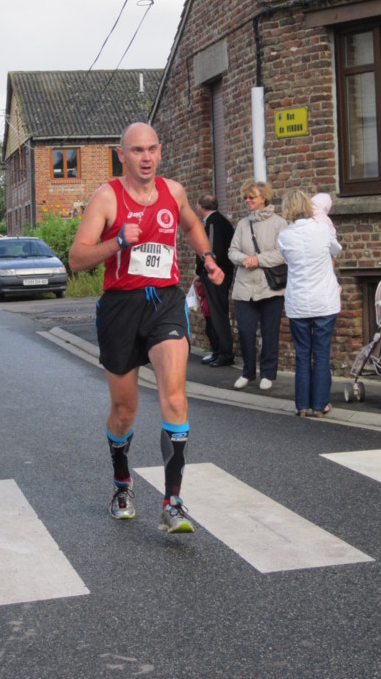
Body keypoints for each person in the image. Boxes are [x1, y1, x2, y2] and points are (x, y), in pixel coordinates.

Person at [69, 122, 225, 534]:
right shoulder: (107, 197)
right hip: (120, 307)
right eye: (137, 150)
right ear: (121, 155)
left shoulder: (173, 192)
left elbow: (191, 226)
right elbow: (77, 259)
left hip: (165, 303)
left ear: (160, 151)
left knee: (174, 397)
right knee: (125, 410)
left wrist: (207, 258)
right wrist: (118, 241)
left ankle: (172, 502)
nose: (146, 157)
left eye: (152, 149)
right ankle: (122, 484)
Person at [278, 188, 342, 417]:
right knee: (321, 354)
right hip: (324, 300)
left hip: (298, 302)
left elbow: (287, 260)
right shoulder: (322, 230)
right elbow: (336, 250)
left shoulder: (284, 236)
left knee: (302, 354)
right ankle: (320, 405)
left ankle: (302, 405)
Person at [228, 179, 287, 391]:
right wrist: (244, 259)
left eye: (251, 197)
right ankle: (248, 372)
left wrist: (258, 260)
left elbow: (283, 254)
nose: (247, 200)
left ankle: (268, 373)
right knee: (245, 331)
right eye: (245, 197)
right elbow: (232, 250)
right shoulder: (243, 224)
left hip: (270, 287)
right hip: (245, 287)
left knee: (270, 332)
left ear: (264, 198)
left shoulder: (279, 224)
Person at [194, 194, 235, 366]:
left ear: (200, 207)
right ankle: (217, 350)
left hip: (215, 276)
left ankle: (224, 352)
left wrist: (203, 270)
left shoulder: (212, 223)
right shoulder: (221, 222)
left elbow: (210, 252)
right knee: (214, 313)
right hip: (220, 274)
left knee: (217, 314)